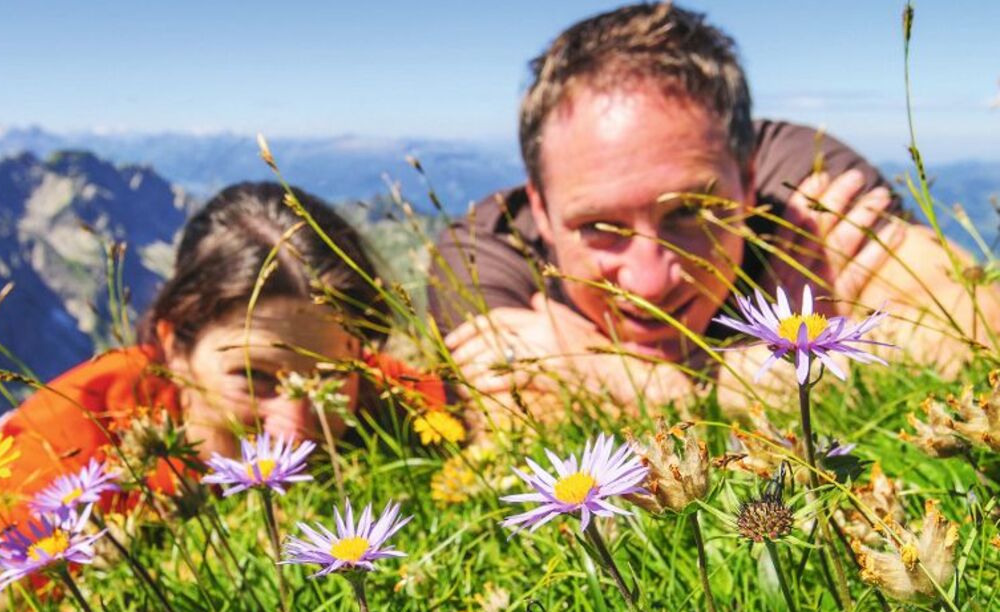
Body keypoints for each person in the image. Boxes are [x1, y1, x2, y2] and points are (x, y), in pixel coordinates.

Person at [0, 181, 443, 612]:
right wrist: (117, 608)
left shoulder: (371, 390)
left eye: (328, 377)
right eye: (253, 377)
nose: (293, 430)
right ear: (175, 344)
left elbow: (485, 406)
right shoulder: (79, 431)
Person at [428, 3, 999, 416]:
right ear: (540, 209)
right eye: (599, 228)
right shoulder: (480, 257)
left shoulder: (807, 178)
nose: (649, 282)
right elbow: (513, 424)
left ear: (749, 181)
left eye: (690, 214)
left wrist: (620, 380)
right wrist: (797, 354)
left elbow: (975, 331)